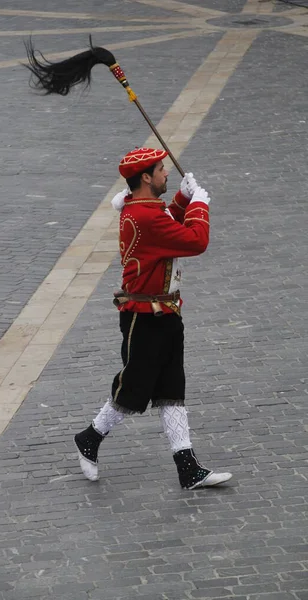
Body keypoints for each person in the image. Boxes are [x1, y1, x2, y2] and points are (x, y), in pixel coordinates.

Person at [74, 147, 232, 490]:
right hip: (143, 318)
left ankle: (187, 469)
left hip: (165, 313)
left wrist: (180, 199)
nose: (166, 174)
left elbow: (167, 224)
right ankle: (90, 437)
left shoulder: (142, 208)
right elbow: (194, 240)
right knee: (133, 388)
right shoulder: (146, 217)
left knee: (172, 390)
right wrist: (199, 205)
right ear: (145, 178)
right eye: (161, 170)